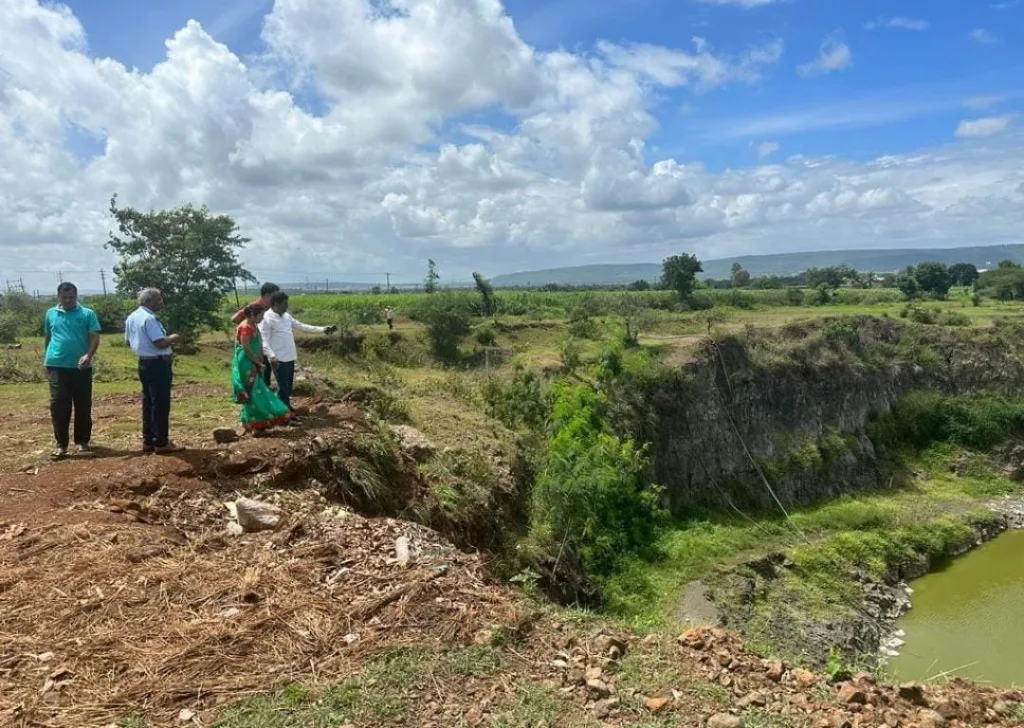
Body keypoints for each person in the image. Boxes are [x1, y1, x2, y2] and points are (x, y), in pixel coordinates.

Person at [43, 282, 101, 459]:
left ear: (76, 296)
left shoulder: (87, 314)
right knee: (59, 405)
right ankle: (61, 445)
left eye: (71, 297)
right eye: (64, 297)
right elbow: (48, 337)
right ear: (58, 296)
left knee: (83, 405)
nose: (68, 300)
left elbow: (95, 337)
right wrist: (47, 360)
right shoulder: (51, 314)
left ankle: (82, 442)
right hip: (56, 366)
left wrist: (88, 356)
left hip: (81, 367)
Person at [125, 288, 183, 454]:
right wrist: (173, 338)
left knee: (148, 402)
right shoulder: (149, 318)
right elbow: (160, 343)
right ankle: (161, 442)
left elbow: (128, 342)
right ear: (148, 301)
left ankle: (148, 440)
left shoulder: (131, 317)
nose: (161, 302)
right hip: (158, 364)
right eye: (158, 299)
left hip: (144, 363)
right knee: (160, 403)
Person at [259, 291, 335, 415]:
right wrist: (272, 357)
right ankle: (282, 414)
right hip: (278, 359)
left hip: (289, 356)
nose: (286, 306)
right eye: (284, 304)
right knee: (283, 388)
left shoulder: (286, 316)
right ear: (276, 304)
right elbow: (264, 341)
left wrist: (323, 329)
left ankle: (285, 408)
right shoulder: (266, 319)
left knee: (288, 387)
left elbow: (302, 326)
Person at [232, 302, 292, 434]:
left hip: (254, 362)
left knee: (257, 392)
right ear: (253, 315)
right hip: (246, 364)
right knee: (254, 393)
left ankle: (253, 423)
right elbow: (246, 348)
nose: (262, 318)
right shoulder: (245, 327)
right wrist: (257, 363)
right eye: (261, 315)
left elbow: (258, 345)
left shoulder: (253, 325)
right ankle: (256, 427)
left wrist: (260, 360)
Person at [231, 282, 280, 386]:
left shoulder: (273, 307)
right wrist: (249, 329)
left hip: (268, 341)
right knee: (262, 368)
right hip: (256, 343)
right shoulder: (255, 307)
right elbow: (234, 319)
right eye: (275, 295)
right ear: (267, 296)